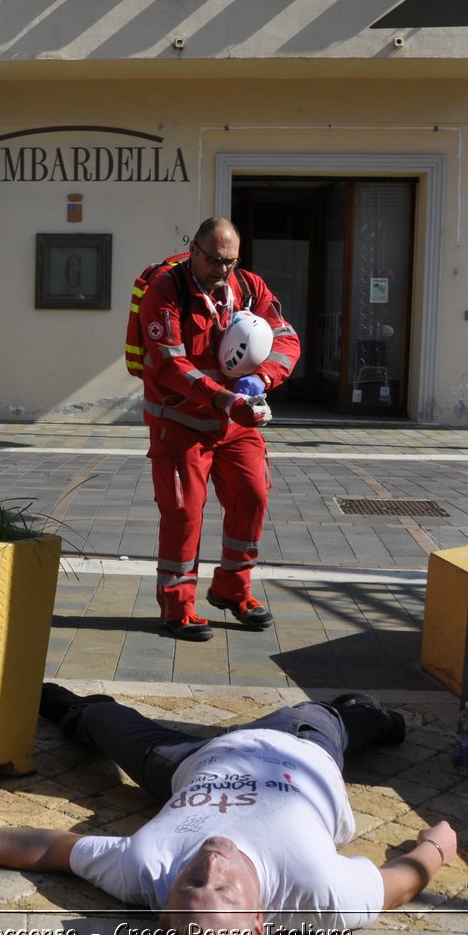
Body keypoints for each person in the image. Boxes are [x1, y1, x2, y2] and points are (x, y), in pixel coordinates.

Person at [0, 686, 454, 935]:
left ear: (166, 899)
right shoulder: (321, 895)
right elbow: (399, 884)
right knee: (334, 715)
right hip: (298, 745)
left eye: (192, 883)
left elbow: (49, 850)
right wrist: (436, 847)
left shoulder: (146, 870)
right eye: (225, 890)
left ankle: (71, 707)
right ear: (260, 919)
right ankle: (369, 716)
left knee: (104, 720)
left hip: (186, 766)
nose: (211, 863)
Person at [137, 217, 299, 641]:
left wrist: (261, 380)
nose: (222, 270)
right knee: (184, 514)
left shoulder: (249, 286)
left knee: (252, 497)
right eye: (213, 260)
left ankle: (232, 589)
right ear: (193, 250)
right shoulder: (165, 291)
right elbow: (172, 365)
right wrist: (224, 398)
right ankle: (177, 608)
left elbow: (285, 338)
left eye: (230, 261)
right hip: (181, 423)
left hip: (235, 422)